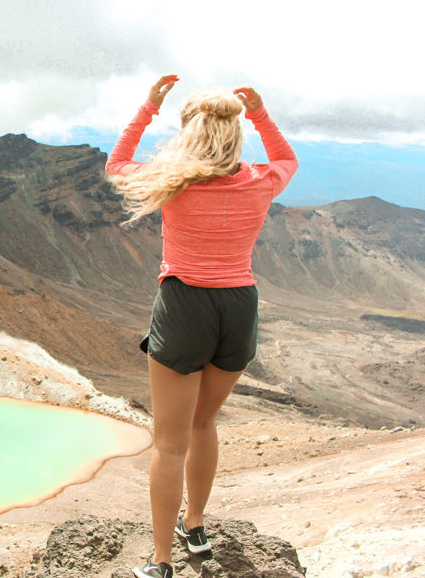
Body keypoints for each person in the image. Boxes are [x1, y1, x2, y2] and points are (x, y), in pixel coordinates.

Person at [106, 75, 297, 578]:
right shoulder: (259, 180)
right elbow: (288, 160)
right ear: (234, 134)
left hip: (184, 303)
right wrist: (259, 112)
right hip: (239, 307)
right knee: (204, 423)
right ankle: (196, 527)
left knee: (169, 442)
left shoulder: (172, 183)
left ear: (189, 134)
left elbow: (117, 165)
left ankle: (162, 561)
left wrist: (148, 108)